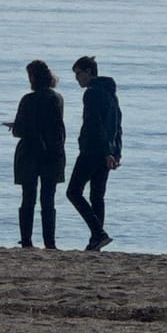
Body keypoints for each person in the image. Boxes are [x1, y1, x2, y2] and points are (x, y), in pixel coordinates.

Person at [5, 60, 66, 249]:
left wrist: (15, 127)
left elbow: (20, 130)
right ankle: (50, 242)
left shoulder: (28, 99)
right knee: (48, 200)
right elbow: (55, 126)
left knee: (28, 198)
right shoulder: (57, 98)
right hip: (53, 152)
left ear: (33, 78)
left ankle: (27, 240)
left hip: (29, 153)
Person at [66, 55, 122, 251]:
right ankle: (96, 240)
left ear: (89, 72)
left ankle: (98, 233)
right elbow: (117, 124)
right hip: (107, 151)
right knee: (97, 196)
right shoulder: (110, 92)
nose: (77, 79)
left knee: (73, 192)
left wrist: (107, 151)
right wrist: (116, 152)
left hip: (93, 150)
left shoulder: (91, 93)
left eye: (78, 74)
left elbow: (95, 124)